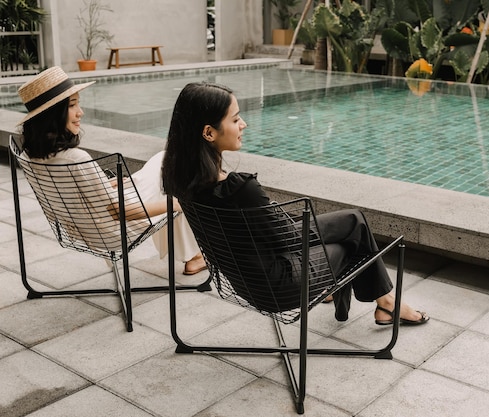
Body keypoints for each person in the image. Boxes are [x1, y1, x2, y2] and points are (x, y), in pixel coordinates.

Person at [161, 82, 429, 325]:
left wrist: (272, 214)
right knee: (353, 239)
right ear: (209, 132)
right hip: (280, 286)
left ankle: (374, 302)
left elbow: (268, 235)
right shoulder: (239, 189)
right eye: (235, 118)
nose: (243, 124)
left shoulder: (181, 181)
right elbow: (288, 240)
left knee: (353, 220)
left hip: (243, 282)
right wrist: (276, 213)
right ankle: (385, 303)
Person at [16, 66, 206, 275]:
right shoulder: (75, 159)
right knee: (172, 175)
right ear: (52, 114)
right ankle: (194, 256)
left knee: (164, 163)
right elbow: (119, 212)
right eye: (73, 105)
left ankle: (192, 254)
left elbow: (79, 197)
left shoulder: (29, 156)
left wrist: (108, 185)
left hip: (82, 228)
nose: (81, 112)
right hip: (114, 231)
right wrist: (174, 204)